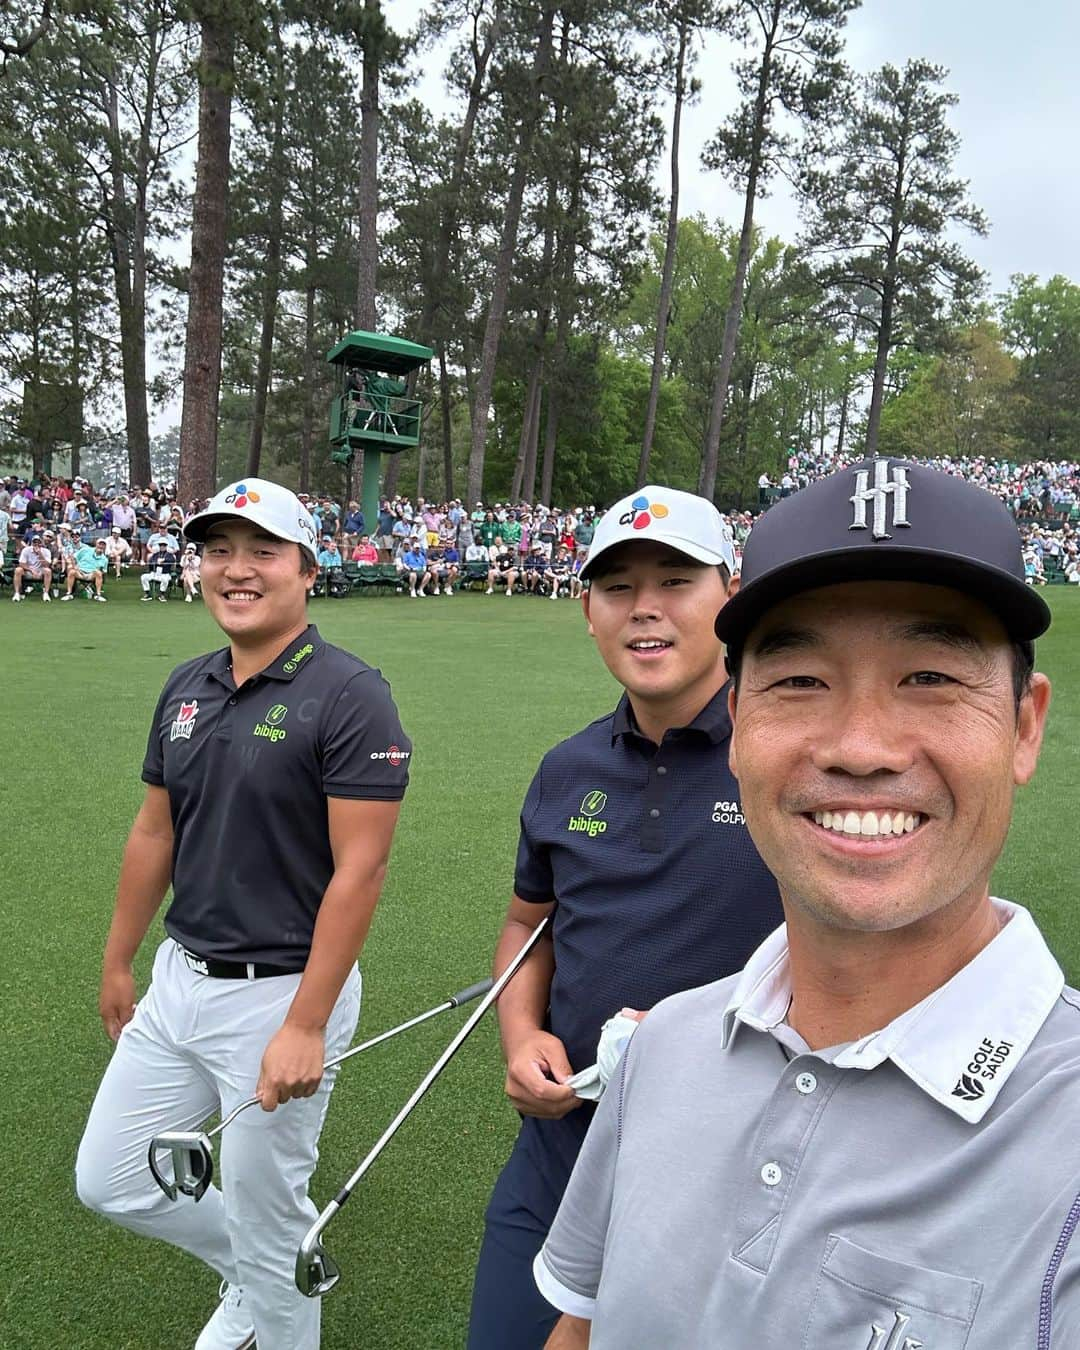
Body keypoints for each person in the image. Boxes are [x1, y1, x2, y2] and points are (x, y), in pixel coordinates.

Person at [536, 459, 1080, 1349]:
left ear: (1024, 725)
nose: (861, 747)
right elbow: (585, 1331)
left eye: (932, 676)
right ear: (740, 724)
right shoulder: (663, 1045)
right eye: (799, 682)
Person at [76, 478, 411, 1350]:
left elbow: (360, 871)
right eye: (218, 551)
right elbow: (155, 831)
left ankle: (270, 1286)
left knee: (272, 1222)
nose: (236, 570)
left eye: (262, 551)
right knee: (110, 1179)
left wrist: (305, 1024)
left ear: (307, 569)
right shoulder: (188, 685)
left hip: (284, 993)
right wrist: (120, 960)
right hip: (180, 980)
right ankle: (258, 1267)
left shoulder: (349, 693)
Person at [467, 486, 784, 1349]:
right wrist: (520, 1032)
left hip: (735, 1177)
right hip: (566, 1152)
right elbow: (525, 929)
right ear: (588, 611)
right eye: (618, 587)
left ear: (731, 593)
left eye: (676, 579)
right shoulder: (566, 769)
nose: (645, 608)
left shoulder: (786, 756)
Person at [12, 534, 53, 601]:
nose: (36, 544)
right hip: (28, 570)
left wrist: (40, 554)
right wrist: (31, 570)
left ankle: (46, 593)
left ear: (41, 543)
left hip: (41, 571)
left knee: (48, 571)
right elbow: (21, 563)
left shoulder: (46, 551)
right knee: (18, 570)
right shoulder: (26, 550)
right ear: (32, 543)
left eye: (38, 542)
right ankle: (17, 593)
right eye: (34, 542)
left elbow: (46, 565)